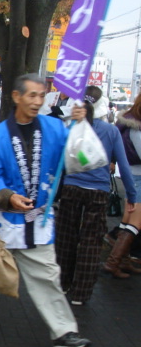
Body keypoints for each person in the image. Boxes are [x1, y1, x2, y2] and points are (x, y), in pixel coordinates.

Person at [0, 73, 91, 347]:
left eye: (41, 95)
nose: (38, 101)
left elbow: (78, 157)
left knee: (48, 276)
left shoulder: (55, 128)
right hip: (5, 222)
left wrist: (81, 126)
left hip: (39, 221)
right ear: (16, 97)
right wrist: (9, 196)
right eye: (32, 95)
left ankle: (64, 332)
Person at [56, 86, 136, 303]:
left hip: (70, 188)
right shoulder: (110, 131)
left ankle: (63, 284)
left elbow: (59, 159)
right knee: (91, 242)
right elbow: (124, 167)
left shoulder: (71, 126)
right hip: (98, 192)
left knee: (65, 238)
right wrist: (132, 196)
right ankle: (81, 294)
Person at [103, 91, 141, 278]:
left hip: (133, 176)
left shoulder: (129, 123)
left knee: (128, 221)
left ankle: (122, 261)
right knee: (134, 223)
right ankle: (114, 262)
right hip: (138, 177)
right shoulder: (137, 127)